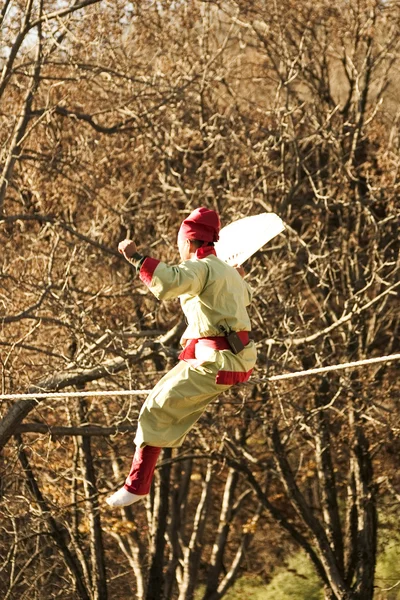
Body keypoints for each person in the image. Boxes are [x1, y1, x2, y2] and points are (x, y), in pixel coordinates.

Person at [106, 207, 257, 507]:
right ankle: (137, 483)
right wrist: (236, 277)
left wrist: (136, 258)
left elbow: (171, 282)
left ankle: (137, 485)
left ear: (189, 242)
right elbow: (242, 298)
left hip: (217, 363)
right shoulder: (227, 271)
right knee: (162, 403)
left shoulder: (201, 267)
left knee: (156, 409)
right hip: (230, 359)